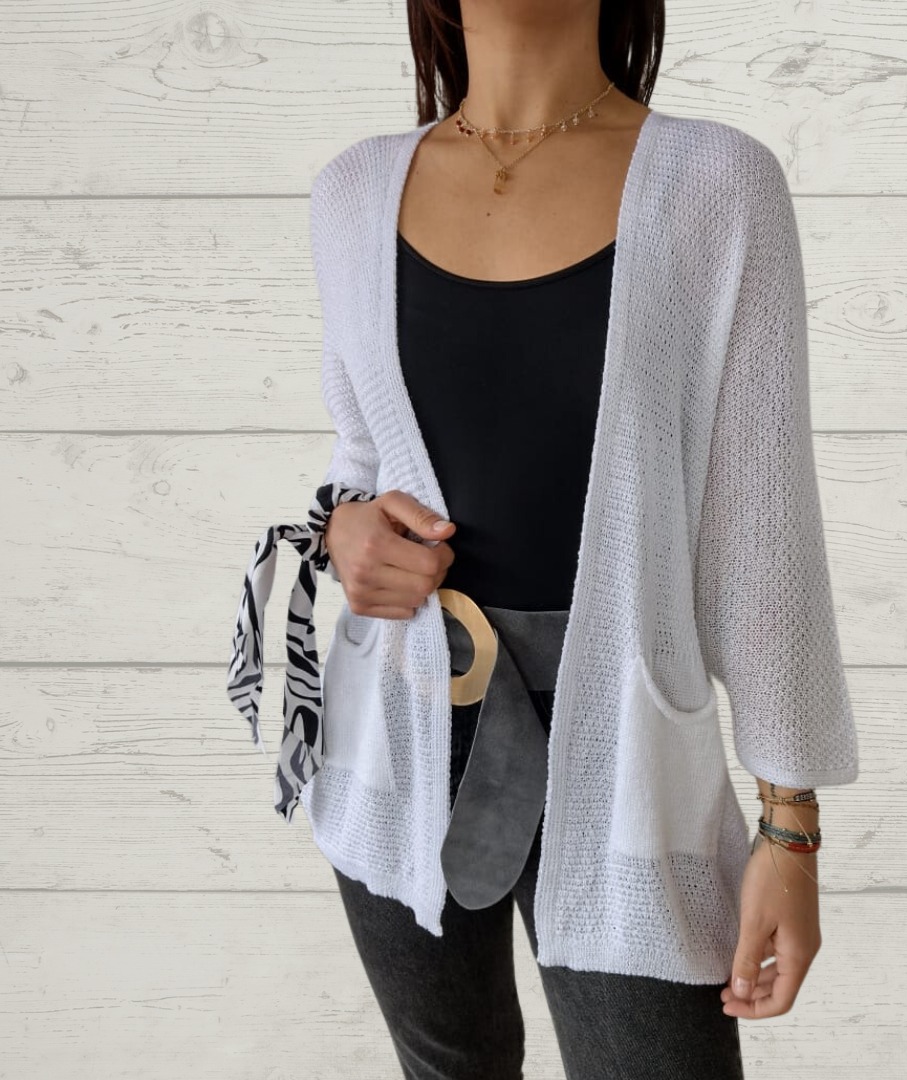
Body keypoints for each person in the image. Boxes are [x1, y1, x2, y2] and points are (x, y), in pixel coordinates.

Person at [226, 1, 860, 1077]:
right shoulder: (353, 191)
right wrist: (344, 528)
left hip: (627, 751)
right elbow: (363, 454)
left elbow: (763, 532)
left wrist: (788, 825)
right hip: (399, 734)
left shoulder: (717, 183)